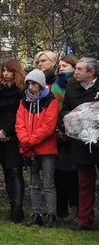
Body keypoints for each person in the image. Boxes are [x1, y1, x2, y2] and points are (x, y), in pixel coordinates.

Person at [17, 68, 59, 228]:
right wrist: (24, 141)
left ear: (41, 85)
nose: (30, 87)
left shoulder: (51, 101)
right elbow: (19, 123)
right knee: (34, 183)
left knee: (48, 184)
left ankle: (51, 215)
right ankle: (36, 214)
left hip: (46, 149)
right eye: (28, 84)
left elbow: (48, 127)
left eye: (33, 84)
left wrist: (30, 141)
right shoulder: (24, 102)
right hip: (28, 148)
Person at [61, 57, 99, 231]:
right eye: (75, 68)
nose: (75, 72)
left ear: (91, 72)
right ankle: (85, 218)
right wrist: (70, 117)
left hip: (97, 139)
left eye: (80, 69)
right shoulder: (71, 89)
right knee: (84, 182)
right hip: (81, 141)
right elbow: (65, 109)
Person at [0, 59, 27, 223]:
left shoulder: (22, 90)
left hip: (15, 134)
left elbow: (21, 113)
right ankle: (13, 205)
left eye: (9, 71)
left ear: (16, 72)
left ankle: (17, 209)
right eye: (3, 70)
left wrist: (7, 130)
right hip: (0, 134)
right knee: (6, 170)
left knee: (15, 171)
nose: (5, 74)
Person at [51, 55, 78, 220]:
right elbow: (53, 109)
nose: (61, 69)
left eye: (66, 66)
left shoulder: (76, 86)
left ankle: (76, 209)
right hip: (55, 132)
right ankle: (60, 209)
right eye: (60, 66)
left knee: (72, 174)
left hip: (74, 133)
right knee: (58, 172)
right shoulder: (56, 86)